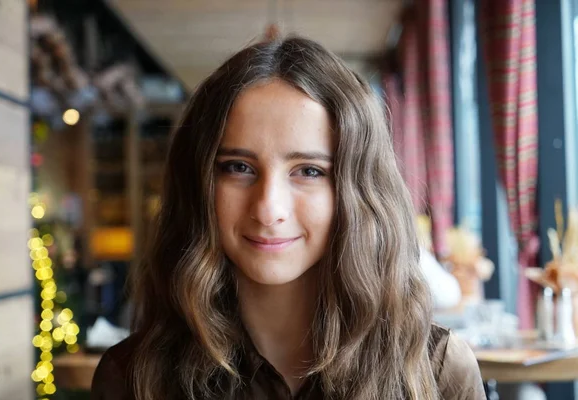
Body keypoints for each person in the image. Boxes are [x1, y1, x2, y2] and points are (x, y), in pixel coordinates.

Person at [91, 36, 485, 400]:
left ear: (358, 193)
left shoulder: (437, 371)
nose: (268, 209)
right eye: (238, 167)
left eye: (309, 171)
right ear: (200, 184)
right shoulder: (133, 377)